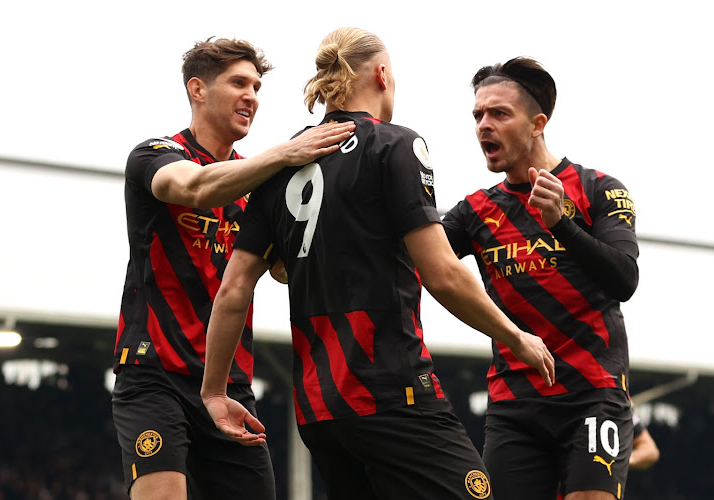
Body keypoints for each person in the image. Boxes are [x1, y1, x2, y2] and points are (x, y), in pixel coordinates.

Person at [200, 27, 555, 500]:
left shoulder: (277, 165)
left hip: (319, 409)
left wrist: (213, 391)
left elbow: (234, 289)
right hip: (390, 392)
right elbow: (443, 274)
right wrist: (516, 336)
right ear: (382, 75)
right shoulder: (395, 145)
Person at [111, 37, 355, 500]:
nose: (252, 97)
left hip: (227, 383)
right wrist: (283, 156)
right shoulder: (156, 154)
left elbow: (284, 270)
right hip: (154, 374)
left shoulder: (260, 183)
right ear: (198, 89)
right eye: (239, 83)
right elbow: (196, 188)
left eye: (258, 87)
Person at [442, 57, 639, 500]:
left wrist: (562, 224)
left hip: (592, 395)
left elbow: (625, 279)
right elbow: (417, 261)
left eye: (499, 114)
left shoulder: (598, 189)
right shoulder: (474, 212)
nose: (483, 126)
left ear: (537, 124)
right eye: (478, 115)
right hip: (514, 405)